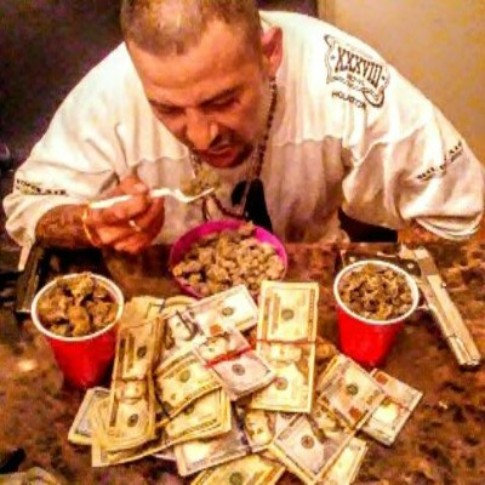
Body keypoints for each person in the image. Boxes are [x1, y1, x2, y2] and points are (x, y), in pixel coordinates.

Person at [4, 0, 484, 254]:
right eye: (168, 109)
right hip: (166, 294)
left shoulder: (341, 80)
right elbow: (27, 209)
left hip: (307, 278)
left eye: (222, 101)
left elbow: (464, 214)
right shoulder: (109, 92)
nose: (201, 136)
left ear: (269, 52)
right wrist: (89, 224)